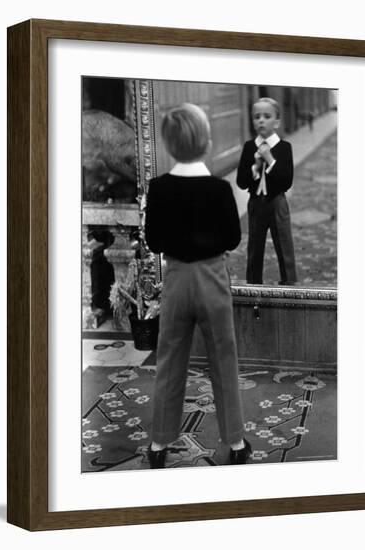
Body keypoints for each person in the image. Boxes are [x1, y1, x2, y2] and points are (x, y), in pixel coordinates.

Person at [145, 103, 251, 468]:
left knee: (170, 360)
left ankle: (158, 445)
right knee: (224, 359)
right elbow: (234, 238)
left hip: (175, 280)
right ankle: (235, 442)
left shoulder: (157, 189)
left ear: (169, 145)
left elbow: (154, 241)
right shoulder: (220, 189)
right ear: (206, 142)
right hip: (212, 278)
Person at [236, 97, 297, 285]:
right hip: (255, 203)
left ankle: (288, 284)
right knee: (254, 248)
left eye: (267, 116)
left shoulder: (285, 148)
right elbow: (241, 182)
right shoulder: (248, 147)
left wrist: (270, 160)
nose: (261, 120)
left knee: (284, 246)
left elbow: (286, 182)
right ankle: (254, 285)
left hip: (278, 203)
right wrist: (254, 167)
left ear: (277, 122)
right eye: (257, 117)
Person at [87, 227, 115, 326]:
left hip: (105, 257)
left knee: (105, 281)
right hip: (98, 257)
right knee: (98, 281)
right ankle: (100, 308)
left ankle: (105, 308)